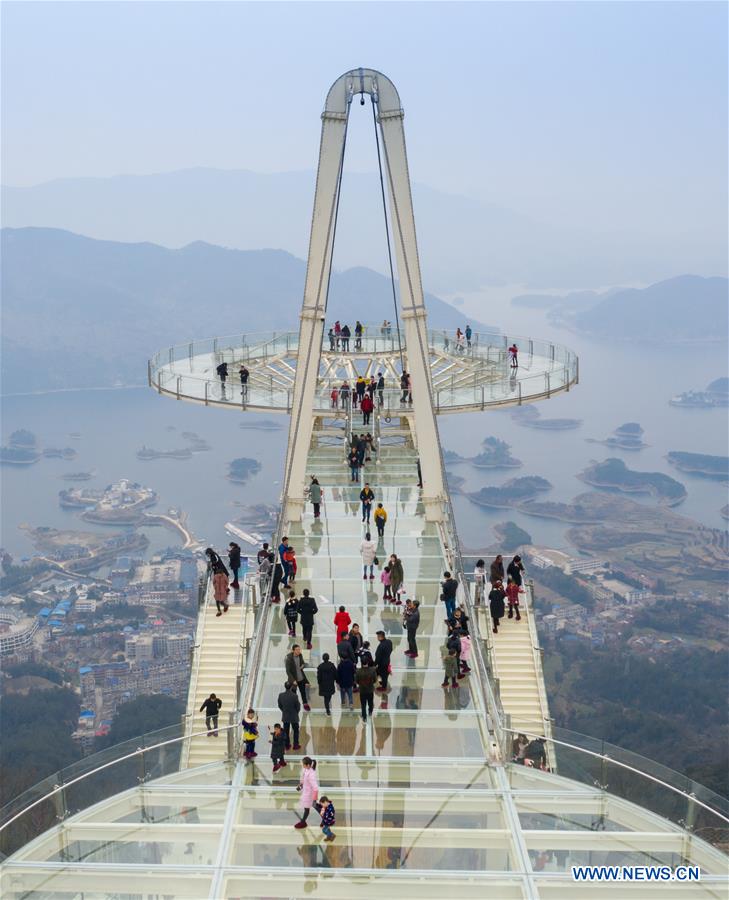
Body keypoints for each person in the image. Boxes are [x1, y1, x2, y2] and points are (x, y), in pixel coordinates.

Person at [295, 757, 319, 828]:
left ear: (308, 765)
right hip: (306, 792)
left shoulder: (311, 775)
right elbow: (304, 779)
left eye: (303, 764)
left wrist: (314, 798)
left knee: (307, 808)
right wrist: (301, 785)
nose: (302, 765)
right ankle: (325, 818)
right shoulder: (305, 770)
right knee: (313, 806)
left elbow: (315, 788)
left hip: (309, 794)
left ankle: (303, 822)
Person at [284, 645, 311, 710]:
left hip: (301, 678)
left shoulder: (300, 655)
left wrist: (303, 665)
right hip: (294, 679)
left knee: (303, 692)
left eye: (299, 649)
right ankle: (294, 705)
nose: (299, 651)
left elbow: (303, 663)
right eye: (297, 650)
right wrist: (293, 680)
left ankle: (305, 704)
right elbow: (288, 671)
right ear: (293, 650)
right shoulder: (289, 658)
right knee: (294, 693)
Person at [278, 681, 301, 749]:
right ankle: (296, 745)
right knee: (296, 731)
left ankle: (287, 745)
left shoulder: (281, 695)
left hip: (285, 716)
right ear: (291, 687)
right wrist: (296, 712)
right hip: (294, 716)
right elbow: (298, 706)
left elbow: (280, 705)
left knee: (286, 731)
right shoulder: (294, 696)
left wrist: (284, 710)